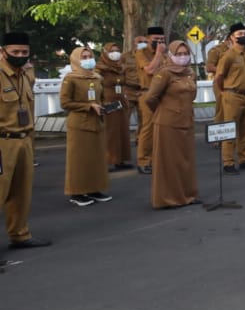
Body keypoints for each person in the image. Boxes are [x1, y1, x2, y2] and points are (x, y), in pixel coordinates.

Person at [0, 32, 49, 250]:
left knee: (22, 192)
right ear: (3, 52)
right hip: (3, 142)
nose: (20, 55)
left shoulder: (26, 75)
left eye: (24, 52)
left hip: (24, 139)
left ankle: (20, 234)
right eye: (15, 52)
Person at [145, 41, 200, 209]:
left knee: (185, 161)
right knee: (169, 163)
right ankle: (168, 198)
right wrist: (165, 111)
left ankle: (187, 195)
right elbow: (150, 98)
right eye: (179, 54)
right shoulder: (165, 73)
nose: (182, 57)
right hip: (167, 124)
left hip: (186, 121)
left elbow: (191, 96)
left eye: (185, 53)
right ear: (170, 55)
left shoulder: (190, 73)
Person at [60, 46, 112, 207]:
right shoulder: (71, 78)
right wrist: (88, 106)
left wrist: (105, 106)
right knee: (78, 160)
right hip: (79, 124)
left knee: (95, 159)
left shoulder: (97, 77)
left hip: (97, 122)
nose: (88, 59)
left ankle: (93, 189)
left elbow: (101, 98)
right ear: (76, 59)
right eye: (84, 57)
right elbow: (65, 103)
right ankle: (76, 192)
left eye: (90, 56)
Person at [213, 22, 245, 173]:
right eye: (240, 34)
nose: (243, 37)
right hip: (233, 95)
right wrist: (223, 91)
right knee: (230, 129)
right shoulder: (228, 56)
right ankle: (228, 162)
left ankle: (244, 159)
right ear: (231, 37)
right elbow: (219, 77)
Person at [134, 26, 166, 174]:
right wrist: (158, 54)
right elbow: (150, 70)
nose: (159, 42)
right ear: (148, 39)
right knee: (148, 128)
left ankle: (157, 159)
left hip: (163, 95)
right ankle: (143, 161)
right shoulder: (142, 53)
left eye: (161, 39)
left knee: (162, 128)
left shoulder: (166, 54)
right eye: (155, 39)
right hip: (147, 94)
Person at [97, 42, 133, 170]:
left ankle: (120, 160)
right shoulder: (100, 69)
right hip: (108, 101)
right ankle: (107, 161)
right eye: (112, 51)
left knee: (121, 130)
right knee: (110, 131)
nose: (115, 53)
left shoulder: (120, 68)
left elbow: (125, 83)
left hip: (121, 101)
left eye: (117, 50)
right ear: (105, 53)